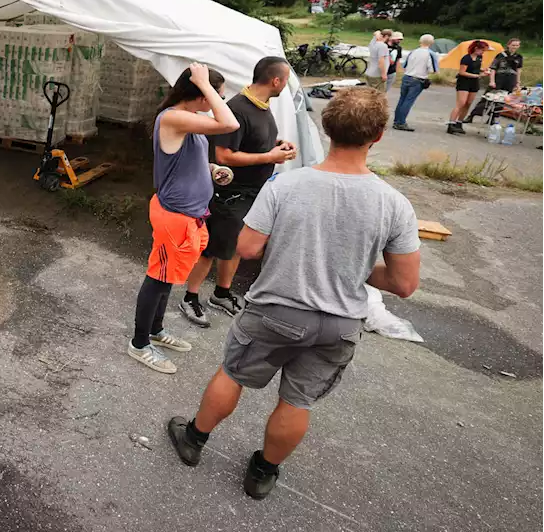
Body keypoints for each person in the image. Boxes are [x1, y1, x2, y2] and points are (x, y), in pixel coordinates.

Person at [166, 88, 421, 500]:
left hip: (275, 310)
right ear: (377, 136)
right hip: (338, 325)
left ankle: (193, 440)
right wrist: (351, 267)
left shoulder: (286, 185)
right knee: (297, 400)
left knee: (233, 374)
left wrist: (292, 248)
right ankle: (262, 472)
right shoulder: (394, 204)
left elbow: (247, 248)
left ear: (327, 128)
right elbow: (404, 283)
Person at [130, 63, 239, 374]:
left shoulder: (189, 122)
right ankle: (139, 343)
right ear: (202, 95)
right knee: (158, 278)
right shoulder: (174, 117)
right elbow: (229, 123)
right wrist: (205, 83)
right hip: (174, 216)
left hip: (190, 216)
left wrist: (212, 171)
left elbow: (187, 161)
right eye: (217, 94)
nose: (219, 99)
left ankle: (155, 330)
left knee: (169, 277)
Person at [179, 57, 296, 328]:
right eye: (286, 80)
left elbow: (254, 142)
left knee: (236, 247)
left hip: (253, 192)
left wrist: (277, 146)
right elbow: (224, 155)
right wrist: (269, 156)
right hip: (230, 193)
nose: (285, 85)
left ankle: (221, 293)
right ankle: (190, 296)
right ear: (275, 81)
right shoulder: (238, 108)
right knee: (211, 248)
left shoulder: (262, 107)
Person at [392, 34, 439, 131]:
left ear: (420, 41)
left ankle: (396, 121)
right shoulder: (431, 54)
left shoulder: (413, 52)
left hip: (407, 76)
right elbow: (433, 70)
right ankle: (401, 122)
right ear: (431, 43)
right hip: (418, 79)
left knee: (402, 99)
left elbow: (405, 65)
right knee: (409, 101)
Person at [447, 40, 491, 135]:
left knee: (468, 103)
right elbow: (462, 72)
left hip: (474, 83)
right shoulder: (466, 58)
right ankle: (451, 124)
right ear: (476, 48)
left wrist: (484, 70)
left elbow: (476, 67)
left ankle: (459, 122)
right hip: (464, 82)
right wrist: (477, 75)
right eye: (482, 50)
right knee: (461, 103)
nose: (483, 52)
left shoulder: (479, 58)